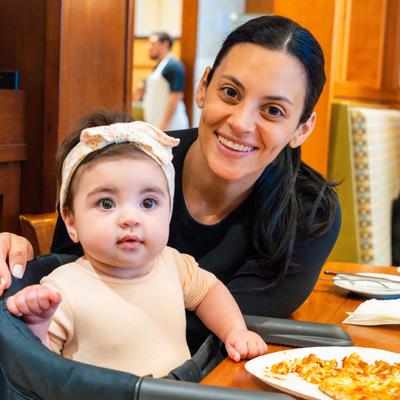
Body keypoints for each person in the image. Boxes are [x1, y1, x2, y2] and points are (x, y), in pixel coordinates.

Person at [0, 15, 341, 354]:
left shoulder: (310, 211)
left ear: (302, 128)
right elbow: (70, 280)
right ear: (203, 87)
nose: (241, 123)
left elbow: (231, 329)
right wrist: (20, 265)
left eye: (273, 111)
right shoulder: (127, 163)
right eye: (231, 92)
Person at [6, 119, 267, 377]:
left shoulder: (173, 264)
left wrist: (235, 330)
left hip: (181, 393)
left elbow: (209, 292)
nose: (131, 218)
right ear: (71, 221)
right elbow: (41, 370)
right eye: (107, 203)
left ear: (169, 213)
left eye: (149, 203)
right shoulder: (62, 289)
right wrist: (39, 323)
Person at [142, 31, 189, 131]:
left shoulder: (174, 66)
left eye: (153, 43)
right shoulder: (158, 67)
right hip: (158, 126)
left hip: (170, 127)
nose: (148, 47)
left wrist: (163, 125)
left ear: (165, 44)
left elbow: (176, 96)